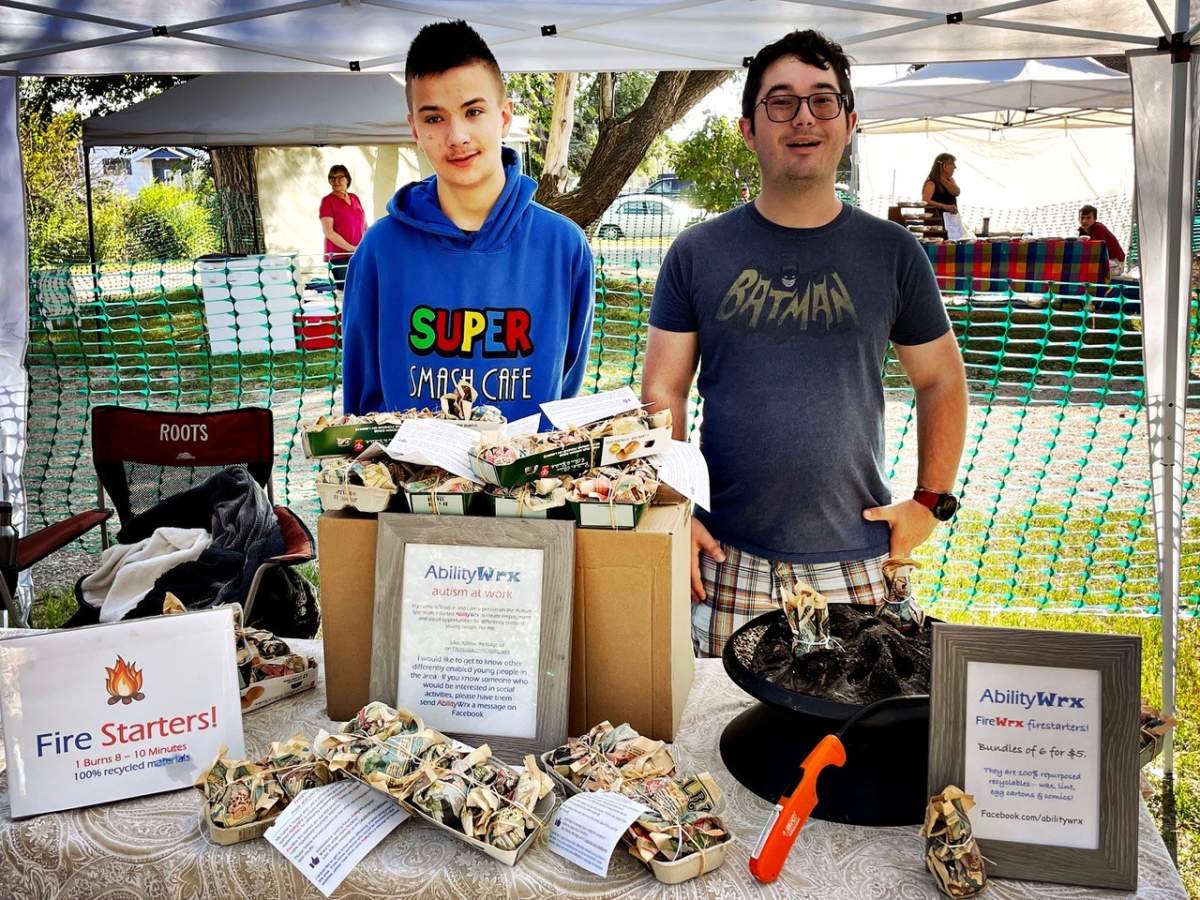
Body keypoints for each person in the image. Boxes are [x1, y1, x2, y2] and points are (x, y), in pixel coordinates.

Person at [641, 29, 968, 658]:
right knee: (710, 747)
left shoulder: (894, 253)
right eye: (780, 102)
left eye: (823, 100)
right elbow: (664, 392)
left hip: (859, 564)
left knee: (853, 747)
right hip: (721, 560)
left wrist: (931, 501)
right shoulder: (697, 253)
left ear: (849, 123)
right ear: (747, 128)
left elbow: (941, 380)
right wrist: (671, 514)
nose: (803, 118)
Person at [341, 21, 594, 421]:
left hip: (525, 481)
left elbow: (563, 389)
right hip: (410, 482)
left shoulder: (564, 247)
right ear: (414, 129)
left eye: (473, 111)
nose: (457, 136)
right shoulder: (380, 251)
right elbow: (361, 404)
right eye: (434, 118)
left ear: (504, 116)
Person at [319, 164, 366, 291]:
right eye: (332, 178)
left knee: (362, 289)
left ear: (347, 179)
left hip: (358, 252)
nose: (336, 181)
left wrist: (365, 245)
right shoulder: (327, 201)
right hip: (340, 256)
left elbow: (363, 225)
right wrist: (351, 249)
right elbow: (328, 232)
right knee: (347, 291)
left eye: (340, 177)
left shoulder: (355, 198)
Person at [1078, 204, 1127, 277]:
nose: (1084, 221)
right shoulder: (1082, 231)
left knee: (1087, 270)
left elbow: (1097, 252)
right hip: (1105, 262)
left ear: (1095, 219)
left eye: (1088, 218)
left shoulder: (1098, 228)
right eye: (1082, 218)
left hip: (1116, 263)